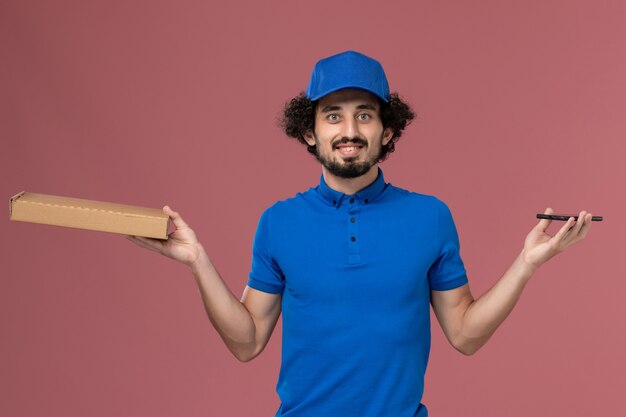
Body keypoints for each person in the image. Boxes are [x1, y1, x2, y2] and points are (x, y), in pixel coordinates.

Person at [127, 51, 594, 417]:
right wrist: (197, 261)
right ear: (308, 132)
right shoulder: (277, 222)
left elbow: (465, 335)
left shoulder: (430, 216)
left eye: (364, 115)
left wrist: (526, 264)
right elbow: (247, 342)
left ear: (387, 131)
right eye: (332, 115)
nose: (349, 130)